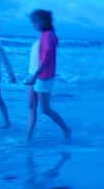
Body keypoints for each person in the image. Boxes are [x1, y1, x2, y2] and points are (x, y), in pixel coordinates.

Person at [23, 9, 71, 143]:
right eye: (33, 22)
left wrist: (35, 76)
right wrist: (31, 75)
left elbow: (46, 59)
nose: (33, 24)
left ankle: (66, 129)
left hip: (42, 76)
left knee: (44, 109)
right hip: (33, 73)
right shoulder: (42, 35)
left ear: (44, 21)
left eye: (36, 21)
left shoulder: (49, 35)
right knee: (31, 106)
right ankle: (27, 138)